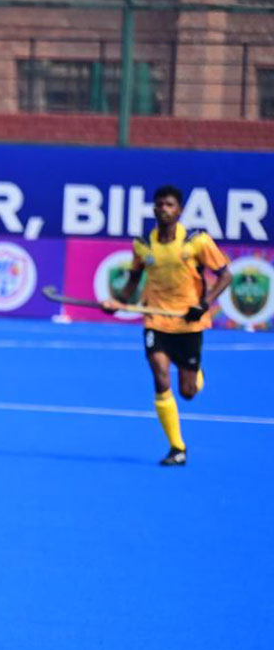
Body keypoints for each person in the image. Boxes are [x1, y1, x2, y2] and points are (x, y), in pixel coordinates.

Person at [102, 184, 231, 466]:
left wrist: (204, 303)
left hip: (188, 322)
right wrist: (116, 302)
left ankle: (196, 375)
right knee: (160, 375)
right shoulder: (143, 245)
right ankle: (177, 447)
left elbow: (225, 276)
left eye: (169, 205)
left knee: (188, 391)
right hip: (156, 320)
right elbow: (133, 283)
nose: (163, 209)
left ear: (180, 210)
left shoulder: (196, 242)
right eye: (159, 205)